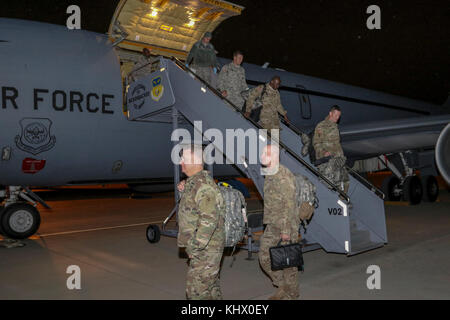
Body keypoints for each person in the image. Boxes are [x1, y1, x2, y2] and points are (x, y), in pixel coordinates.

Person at [176, 144, 226, 300]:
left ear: (194, 161)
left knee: (196, 293)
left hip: (205, 250)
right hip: (205, 249)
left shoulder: (203, 186)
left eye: (183, 159)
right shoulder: (194, 183)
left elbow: (208, 221)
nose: (180, 163)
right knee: (210, 290)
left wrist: (195, 248)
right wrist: (183, 191)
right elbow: (193, 209)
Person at [258, 144, 300, 300]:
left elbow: (289, 205)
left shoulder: (283, 175)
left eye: (265, 153)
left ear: (274, 155)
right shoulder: (270, 173)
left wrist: (286, 231)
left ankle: (292, 293)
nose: (261, 155)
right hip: (273, 223)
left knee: (288, 261)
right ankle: (282, 286)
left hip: (286, 224)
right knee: (264, 255)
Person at [312, 105, 349, 193]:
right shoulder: (321, 126)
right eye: (336, 115)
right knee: (328, 184)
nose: (337, 118)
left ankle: (341, 202)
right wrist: (323, 152)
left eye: (339, 116)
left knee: (346, 182)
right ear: (330, 113)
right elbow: (316, 143)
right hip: (327, 160)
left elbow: (337, 144)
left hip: (338, 159)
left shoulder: (335, 126)